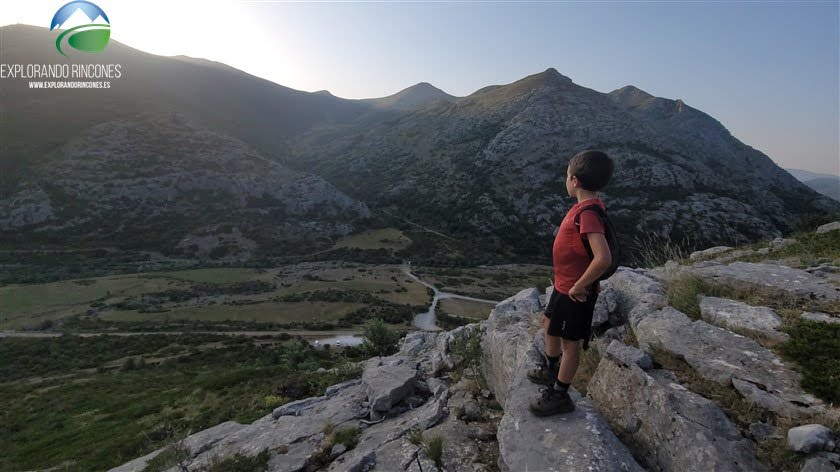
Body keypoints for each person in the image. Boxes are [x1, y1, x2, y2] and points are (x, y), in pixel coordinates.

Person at [528, 149, 614, 416]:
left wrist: (579, 286)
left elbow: (603, 258)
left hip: (575, 293)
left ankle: (560, 394)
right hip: (563, 286)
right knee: (549, 326)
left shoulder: (587, 213)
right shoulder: (583, 209)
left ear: (574, 180)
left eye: (566, 176)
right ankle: (551, 369)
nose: (565, 180)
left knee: (570, 344)